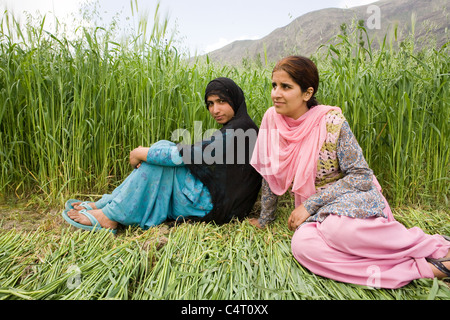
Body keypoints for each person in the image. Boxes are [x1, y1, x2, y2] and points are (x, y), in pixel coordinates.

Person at [249, 55, 450, 289]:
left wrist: (310, 204)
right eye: (274, 85)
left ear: (307, 93)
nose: (276, 93)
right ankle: (424, 268)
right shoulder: (272, 119)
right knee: (302, 246)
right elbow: (269, 174)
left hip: (350, 199)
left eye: (286, 87)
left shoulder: (331, 122)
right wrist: (265, 219)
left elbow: (361, 176)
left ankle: (436, 247)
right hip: (316, 216)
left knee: (336, 230)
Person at [63, 77, 261, 233]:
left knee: (158, 161)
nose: (214, 110)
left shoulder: (241, 129)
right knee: (163, 147)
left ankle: (110, 215)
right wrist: (149, 152)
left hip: (215, 207)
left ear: (234, 99)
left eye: (221, 102)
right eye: (210, 103)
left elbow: (187, 155)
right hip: (220, 199)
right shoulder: (239, 126)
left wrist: (140, 153)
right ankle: (107, 204)